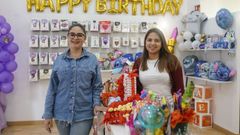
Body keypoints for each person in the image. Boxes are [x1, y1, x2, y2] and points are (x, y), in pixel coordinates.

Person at [42, 24, 103, 135]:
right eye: (72, 34)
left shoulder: (92, 60)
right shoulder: (59, 60)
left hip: (84, 113)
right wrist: (47, 114)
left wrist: (96, 104)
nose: (75, 38)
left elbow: (97, 86)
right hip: (61, 113)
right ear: (68, 36)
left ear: (84, 38)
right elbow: (52, 89)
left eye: (80, 35)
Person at [132, 28, 184, 135]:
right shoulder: (139, 62)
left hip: (167, 110)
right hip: (146, 111)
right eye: (149, 40)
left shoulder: (172, 60)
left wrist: (178, 112)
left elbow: (179, 89)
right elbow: (136, 89)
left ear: (162, 43)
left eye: (156, 40)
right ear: (145, 42)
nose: (152, 43)